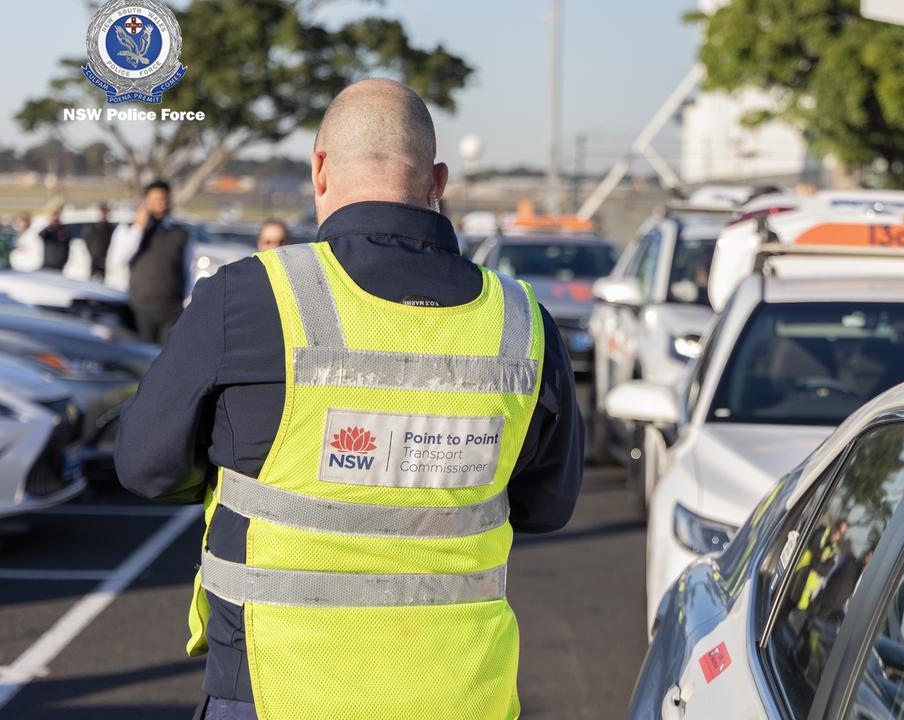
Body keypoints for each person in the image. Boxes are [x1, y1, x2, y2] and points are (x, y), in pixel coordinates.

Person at [115, 79, 584, 720]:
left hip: (276, 689)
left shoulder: (249, 297)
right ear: (437, 180)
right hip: (462, 693)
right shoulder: (522, 322)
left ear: (320, 169)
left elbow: (145, 466)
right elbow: (546, 506)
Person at [106, 181, 193, 344]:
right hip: (139, 307)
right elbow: (117, 261)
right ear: (145, 202)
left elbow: (188, 269)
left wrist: (187, 302)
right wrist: (138, 229)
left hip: (172, 308)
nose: (159, 204)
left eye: (163, 199)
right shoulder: (128, 230)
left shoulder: (180, 233)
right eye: (154, 200)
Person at [83, 203, 115, 281]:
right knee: (91, 278)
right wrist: (93, 252)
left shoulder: (109, 228)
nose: (105, 215)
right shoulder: (93, 227)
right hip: (94, 256)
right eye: (103, 213)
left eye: (106, 213)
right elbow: (88, 240)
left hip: (105, 256)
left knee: (103, 279)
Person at [38, 206, 71, 272]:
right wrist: (51, 224)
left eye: (57, 215)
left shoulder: (63, 229)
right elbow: (41, 235)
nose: (55, 217)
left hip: (60, 262)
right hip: (48, 262)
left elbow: (67, 240)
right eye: (54, 215)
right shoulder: (49, 229)